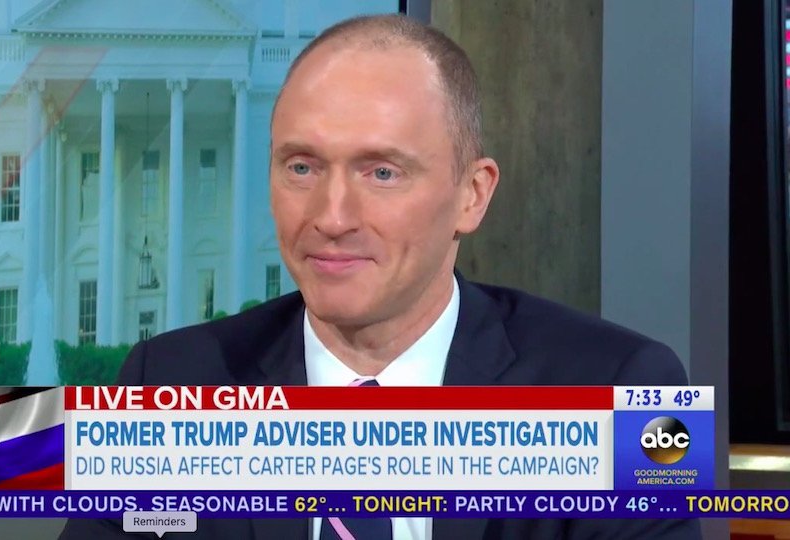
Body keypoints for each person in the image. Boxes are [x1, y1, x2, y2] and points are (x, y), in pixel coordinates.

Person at [61, 14, 701, 540]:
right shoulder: (166, 384)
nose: (331, 217)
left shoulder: (625, 391)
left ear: (472, 196)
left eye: (382, 173)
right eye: (302, 167)